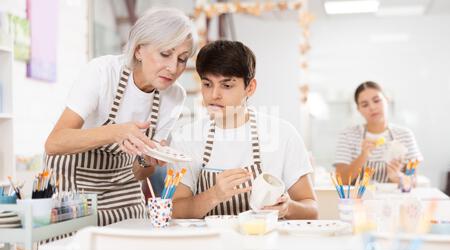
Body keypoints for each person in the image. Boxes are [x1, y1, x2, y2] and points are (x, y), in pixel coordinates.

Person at [44, 8, 197, 226]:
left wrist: (148, 159)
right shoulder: (103, 73)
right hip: (74, 188)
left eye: (182, 59)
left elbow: (139, 172)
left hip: (123, 192)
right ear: (138, 50)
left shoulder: (174, 96)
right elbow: (54, 143)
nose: (173, 68)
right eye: (165, 54)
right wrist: (115, 132)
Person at [169, 41, 318, 219]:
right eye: (207, 84)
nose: (214, 94)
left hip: (266, 243)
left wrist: (289, 208)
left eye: (226, 85)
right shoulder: (186, 137)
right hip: (208, 244)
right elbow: (175, 209)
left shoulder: (283, 134)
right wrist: (214, 195)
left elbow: (312, 209)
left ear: (250, 87)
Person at [334, 81, 423, 185]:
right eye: (365, 104)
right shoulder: (347, 135)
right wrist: (363, 155)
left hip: (393, 200)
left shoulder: (405, 135)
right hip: (358, 200)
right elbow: (341, 181)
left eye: (376, 101)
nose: (372, 107)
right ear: (358, 109)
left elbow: (413, 182)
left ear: (387, 100)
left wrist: (397, 177)